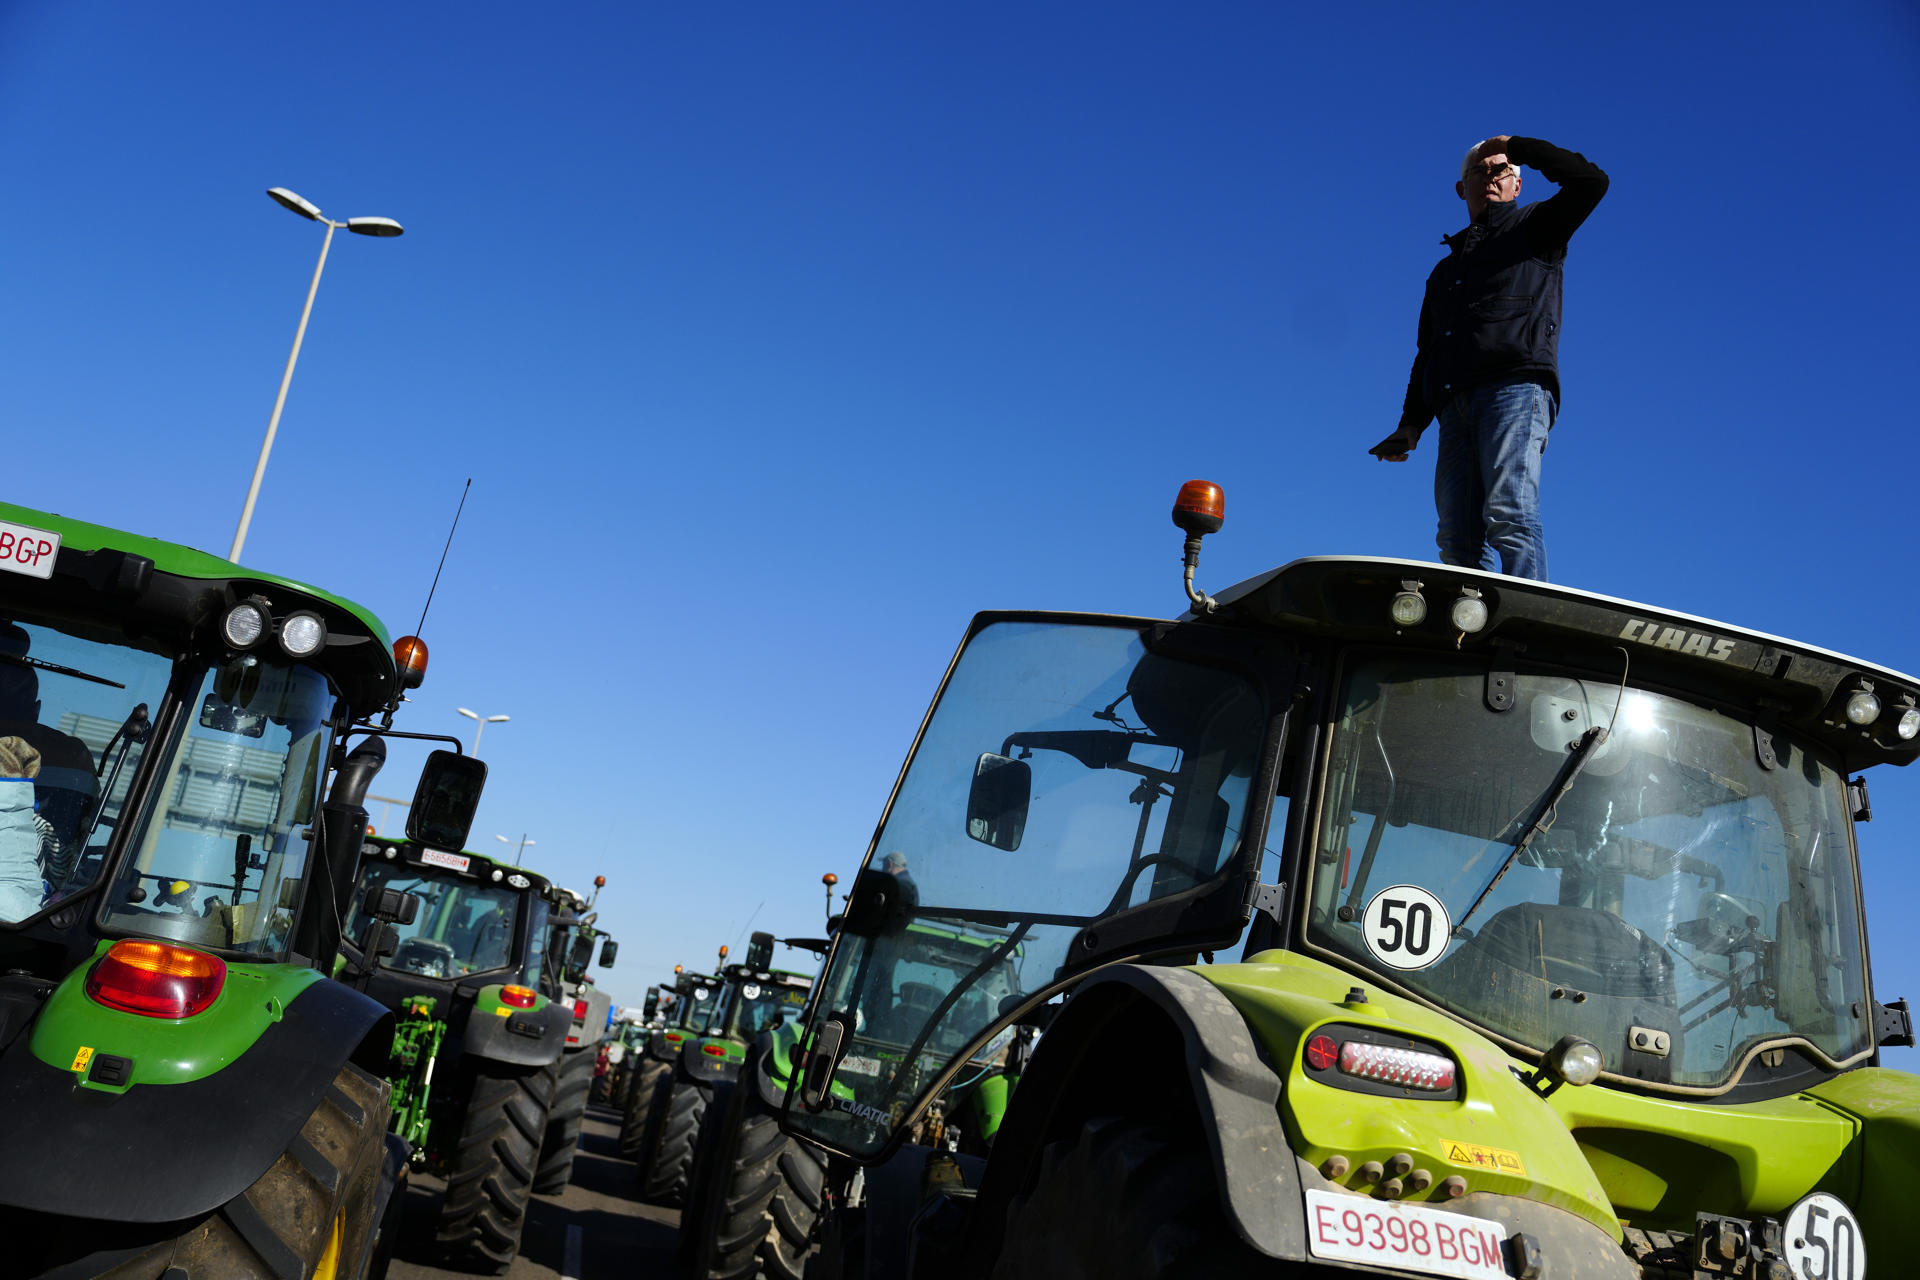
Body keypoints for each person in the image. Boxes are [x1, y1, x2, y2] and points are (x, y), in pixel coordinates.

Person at [1371, 135, 1609, 581]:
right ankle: (1473, 630)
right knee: (1456, 535)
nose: (1490, 177)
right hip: (1453, 406)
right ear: (1462, 189)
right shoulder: (1444, 272)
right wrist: (1411, 424)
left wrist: (1516, 146)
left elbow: (1591, 183)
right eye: (1478, 172)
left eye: (1501, 170)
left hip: (1515, 389)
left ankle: (1526, 623)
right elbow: (1430, 350)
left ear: (1517, 184)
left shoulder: (1537, 228)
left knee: (1510, 513)